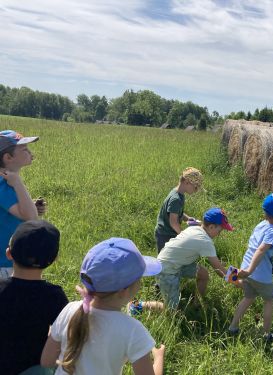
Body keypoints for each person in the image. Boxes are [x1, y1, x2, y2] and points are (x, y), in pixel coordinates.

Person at [41, 238, 165, 375]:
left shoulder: (69, 309)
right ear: (123, 291)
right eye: (139, 279)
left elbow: (46, 361)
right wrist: (159, 358)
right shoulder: (133, 330)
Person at [0, 220, 68, 375]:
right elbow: (65, 335)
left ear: (8, 253)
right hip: (33, 368)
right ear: (55, 259)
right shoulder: (54, 296)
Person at [229, 193, 273, 343]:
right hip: (259, 275)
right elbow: (261, 250)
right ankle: (266, 335)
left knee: (248, 298)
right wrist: (250, 271)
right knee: (269, 300)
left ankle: (233, 327)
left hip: (247, 271)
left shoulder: (261, 225)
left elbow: (269, 251)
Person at [156, 207, 233, 309]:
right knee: (170, 310)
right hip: (166, 270)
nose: (219, 234)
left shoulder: (195, 228)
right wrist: (237, 281)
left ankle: (197, 303)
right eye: (219, 231)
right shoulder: (205, 241)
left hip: (176, 263)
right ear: (211, 227)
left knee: (203, 274)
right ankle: (137, 305)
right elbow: (220, 270)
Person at [0, 130, 46, 279]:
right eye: (25, 149)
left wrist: (30, 205)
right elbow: (31, 218)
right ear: (8, 157)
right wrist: (18, 183)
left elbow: (14, 210)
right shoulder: (4, 184)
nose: (30, 153)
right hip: (3, 264)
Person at [154, 167, 204, 253]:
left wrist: (188, 219)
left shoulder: (179, 193)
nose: (196, 190)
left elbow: (176, 212)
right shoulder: (176, 199)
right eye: (195, 187)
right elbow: (173, 222)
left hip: (167, 232)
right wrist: (183, 235)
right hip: (165, 234)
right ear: (187, 182)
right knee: (165, 260)